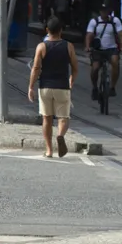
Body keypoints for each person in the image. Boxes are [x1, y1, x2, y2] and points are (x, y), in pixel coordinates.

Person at [28, 15, 79, 158]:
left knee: (47, 119)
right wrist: (71, 80)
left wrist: (31, 86)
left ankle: (49, 150)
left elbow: (36, 68)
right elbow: (75, 67)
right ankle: (60, 135)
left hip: (45, 87)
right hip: (62, 87)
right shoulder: (68, 46)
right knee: (63, 118)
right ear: (61, 30)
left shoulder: (41, 47)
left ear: (47, 30)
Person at [86, 0, 122, 99]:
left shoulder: (115, 21)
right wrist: (87, 46)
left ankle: (112, 87)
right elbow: (89, 35)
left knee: (115, 63)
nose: (104, 12)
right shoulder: (94, 21)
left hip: (111, 49)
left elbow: (121, 34)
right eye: (102, 10)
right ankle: (95, 87)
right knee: (95, 68)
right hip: (98, 50)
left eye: (106, 10)